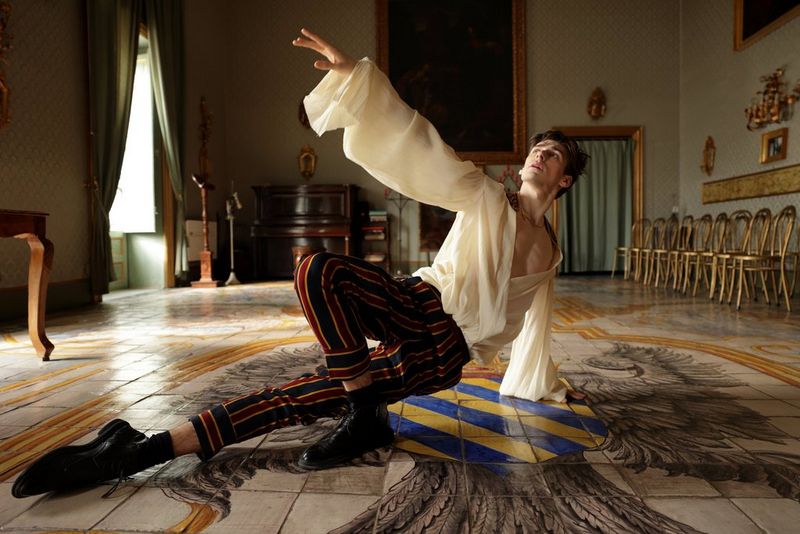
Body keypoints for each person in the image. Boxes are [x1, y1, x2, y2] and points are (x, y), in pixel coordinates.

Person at [11, 28, 588, 498]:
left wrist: (536, 379)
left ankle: (142, 448)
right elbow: (420, 142)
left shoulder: (550, 253)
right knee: (316, 268)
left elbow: (534, 319)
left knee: (302, 394)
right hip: (417, 300)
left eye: (553, 153)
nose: (539, 154)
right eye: (537, 147)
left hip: (446, 352)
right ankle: (365, 410)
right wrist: (353, 80)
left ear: (563, 180)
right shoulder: (487, 196)